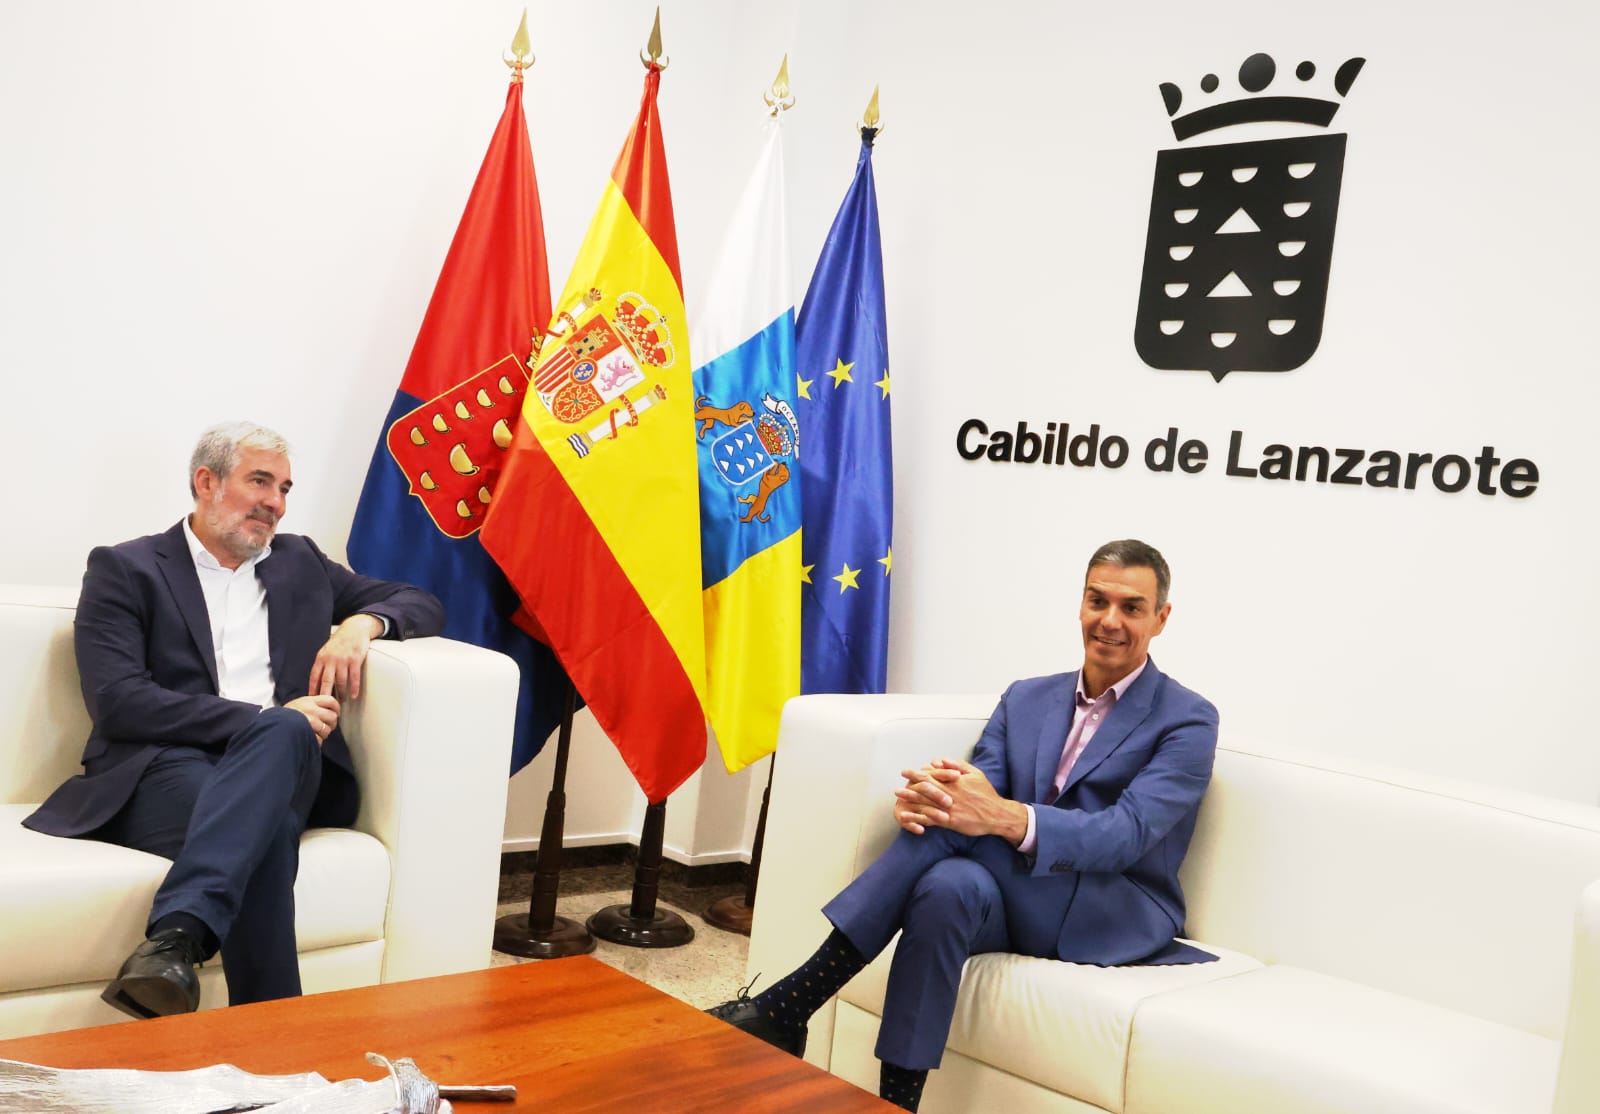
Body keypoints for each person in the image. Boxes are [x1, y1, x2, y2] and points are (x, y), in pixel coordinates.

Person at [709, 539, 1219, 1112]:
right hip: (1015, 896)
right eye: (1097, 600)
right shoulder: (1026, 697)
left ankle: (790, 1002)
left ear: (1161, 618)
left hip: (1108, 906)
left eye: (1131, 607)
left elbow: (1124, 835)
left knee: (960, 831)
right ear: (1080, 603)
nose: (1110, 620)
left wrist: (997, 816)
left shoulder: (1188, 720)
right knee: (946, 886)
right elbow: (977, 786)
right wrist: (928, 802)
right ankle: (898, 1103)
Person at [24, 421, 445, 1020]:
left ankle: (173, 943)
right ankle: (276, 1050)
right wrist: (259, 718)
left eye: (285, 488)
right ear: (206, 482)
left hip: (291, 760)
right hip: (164, 767)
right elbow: (119, 700)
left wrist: (362, 625)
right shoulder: (126, 568)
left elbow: (419, 600)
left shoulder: (300, 562)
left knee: (284, 733)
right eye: (260, 482)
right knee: (266, 829)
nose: (275, 502)